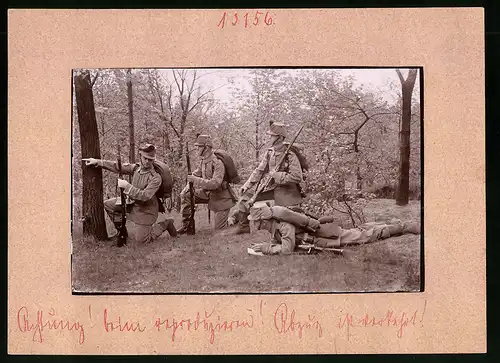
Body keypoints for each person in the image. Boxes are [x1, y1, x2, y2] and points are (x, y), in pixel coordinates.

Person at [82, 143, 177, 245]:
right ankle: (122, 232)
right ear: (140, 156)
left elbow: (144, 196)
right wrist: (98, 162)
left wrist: (127, 186)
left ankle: (166, 224)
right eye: (145, 158)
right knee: (108, 204)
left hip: (146, 209)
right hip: (132, 203)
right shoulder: (137, 168)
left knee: (142, 241)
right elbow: (118, 166)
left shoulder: (155, 177)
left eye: (150, 159)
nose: (147, 161)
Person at [246, 204, 421, 255]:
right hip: (324, 233)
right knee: (358, 230)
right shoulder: (276, 224)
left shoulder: (284, 225)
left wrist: (266, 249)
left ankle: (404, 227)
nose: (257, 225)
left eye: (257, 222)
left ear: (264, 219)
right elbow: (279, 241)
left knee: (363, 236)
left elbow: (286, 249)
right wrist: (264, 245)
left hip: (328, 236)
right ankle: (390, 223)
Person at [231, 122, 304, 235]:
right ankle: (243, 227)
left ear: (279, 138)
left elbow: (297, 177)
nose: (269, 137)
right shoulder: (270, 153)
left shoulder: (290, 155)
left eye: (272, 136)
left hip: (287, 191)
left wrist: (277, 175)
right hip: (271, 188)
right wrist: (247, 185)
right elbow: (259, 171)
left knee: (283, 216)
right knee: (245, 198)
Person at [177, 134, 237, 233]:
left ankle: (234, 218)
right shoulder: (204, 161)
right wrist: (188, 186)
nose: (196, 148)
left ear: (206, 148)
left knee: (219, 230)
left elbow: (215, 183)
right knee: (186, 195)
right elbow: (197, 173)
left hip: (221, 197)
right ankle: (187, 226)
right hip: (208, 194)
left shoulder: (217, 162)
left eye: (199, 146)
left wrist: (195, 179)